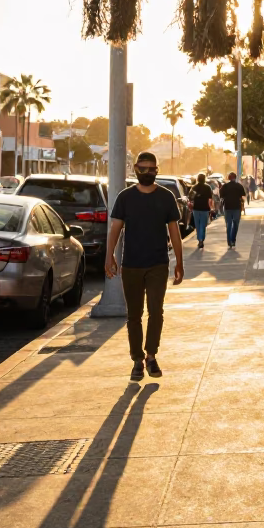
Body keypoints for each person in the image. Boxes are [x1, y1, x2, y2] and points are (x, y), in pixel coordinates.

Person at [105, 150, 183, 381]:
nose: (147, 172)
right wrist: (109, 256)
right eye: (143, 168)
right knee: (134, 315)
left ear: (157, 171)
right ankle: (137, 359)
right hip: (132, 265)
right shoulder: (125, 197)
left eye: (151, 169)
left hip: (158, 264)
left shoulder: (166, 197)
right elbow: (115, 229)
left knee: (156, 311)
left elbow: (174, 232)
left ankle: (151, 355)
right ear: (136, 169)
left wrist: (179, 261)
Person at [219, 171, 247, 248]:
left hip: (227, 207)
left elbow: (221, 197)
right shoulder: (239, 186)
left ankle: (229, 241)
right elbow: (243, 197)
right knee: (235, 224)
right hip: (237, 208)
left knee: (228, 224)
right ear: (235, 178)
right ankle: (233, 240)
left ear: (228, 178)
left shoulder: (224, 186)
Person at [189, 173, 213, 249]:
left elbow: (190, 198)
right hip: (205, 209)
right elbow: (210, 199)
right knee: (203, 225)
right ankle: (201, 239)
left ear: (198, 179)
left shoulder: (194, 187)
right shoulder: (208, 187)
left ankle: (199, 240)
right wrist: (211, 208)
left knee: (197, 225)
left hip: (196, 209)